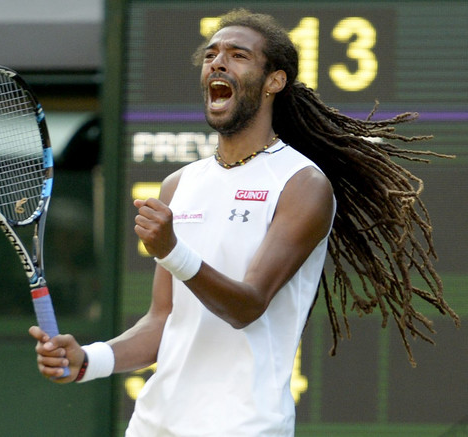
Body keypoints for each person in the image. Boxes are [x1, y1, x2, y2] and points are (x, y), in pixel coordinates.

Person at [29, 9, 459, 436]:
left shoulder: (302, 185)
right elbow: (162, 321)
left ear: (274, 81)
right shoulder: (178, 184)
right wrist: (88, 360)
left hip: (243, 427)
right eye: (212, 54)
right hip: (153, 425)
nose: (217, 62)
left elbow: (248, 305)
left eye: (238, 55)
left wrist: (174, 251)